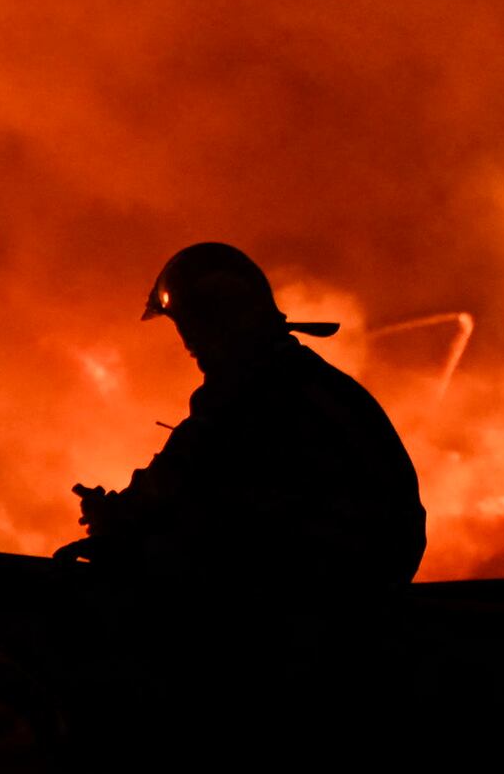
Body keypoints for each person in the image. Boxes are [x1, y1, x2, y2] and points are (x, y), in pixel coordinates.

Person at [65, 240, 426, 597]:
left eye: (189, 328)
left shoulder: (253, 386)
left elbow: (187, 473)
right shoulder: (306, 377)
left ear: (213, 322)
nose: (189, 345)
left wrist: (118, 521)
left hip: (328, 573)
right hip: (368, 563)